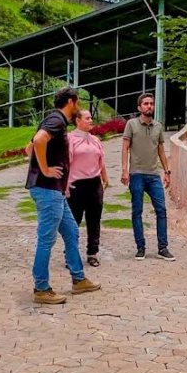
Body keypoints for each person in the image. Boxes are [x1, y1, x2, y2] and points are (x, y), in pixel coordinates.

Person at [25, 87, 101, 304]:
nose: (77, 106)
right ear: (71, 101)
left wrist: (42, 164)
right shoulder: (57, 120)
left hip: (55, 191)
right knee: (46, 239)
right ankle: (41, 288)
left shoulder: (53, 120)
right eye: (76, 102)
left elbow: (27, 149)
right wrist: (46, 169)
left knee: (72, 231)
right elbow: (38, 141)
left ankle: (78, 279)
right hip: (48, 190)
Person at [120, 93, 176, 262]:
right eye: (145, 104)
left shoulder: (158, 127)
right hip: (136, 174)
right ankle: (140, 248)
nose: (149, 106)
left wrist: (167, 172)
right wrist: (124, 170)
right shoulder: (131, 124)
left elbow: (160, 150)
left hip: (154, 175)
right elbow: (125, 148)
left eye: (151, 103)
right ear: (139, 108)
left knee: (161, 210)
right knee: (137, 211)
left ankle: (163, 248)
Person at [67, 109, 109, 267]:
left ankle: (92, 252)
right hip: (76, 185)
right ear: (78, 120)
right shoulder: (70, 139)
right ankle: (70, 254)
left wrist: (104, 177)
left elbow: (101, 159)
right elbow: (66, 163)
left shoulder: (95, 140)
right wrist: (65, 184)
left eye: (91, 117)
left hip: (94, 183)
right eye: (87, 118)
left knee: (94, 219)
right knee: (73, 221)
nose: (91, 120)